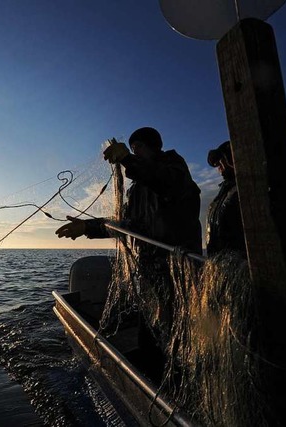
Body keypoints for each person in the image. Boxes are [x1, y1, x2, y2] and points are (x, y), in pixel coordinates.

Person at [56, 127, 202, 380]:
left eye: (137, 149)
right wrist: (87, 226)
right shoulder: (137, 190)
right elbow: (129, 226)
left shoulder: (174, 168)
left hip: (178, 272)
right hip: (149, 271)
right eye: (131, 150)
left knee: (178, 335)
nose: (133, 153)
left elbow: (166, 182)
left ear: (150, 147)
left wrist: (126, 159)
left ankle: (179, 383)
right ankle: (152, 382)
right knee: (150, 336)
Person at [205, 140, 246, 257]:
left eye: (223, 161)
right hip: (222, 264)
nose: (220, 168)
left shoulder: (247, 189)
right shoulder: (224, 194)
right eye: (218, 164)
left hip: (240, 264)